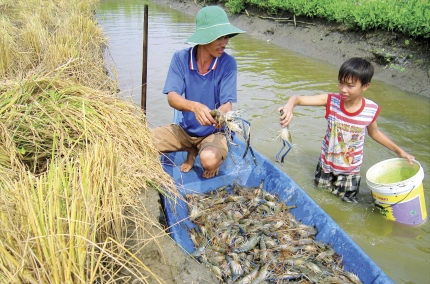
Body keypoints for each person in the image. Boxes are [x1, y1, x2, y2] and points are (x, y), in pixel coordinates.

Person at [278, 57, 414, 203]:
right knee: (319, 199)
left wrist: (400, 151)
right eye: (340, 82)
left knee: (347, 205)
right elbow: (297, 98)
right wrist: (289, 106)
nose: (343, 89)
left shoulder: (370, 110)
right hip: (326, 165)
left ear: (365, 86)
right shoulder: (331, 101)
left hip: (350, 171)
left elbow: (375, 133)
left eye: (350, 85)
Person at [152, 6, 245, 178]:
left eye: (226, 37)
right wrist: (194, 107)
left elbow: (227, 104)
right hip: (185, 130)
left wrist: (220, 115)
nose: (224, 42)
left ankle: (208, 152)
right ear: (204, 38)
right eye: (219, 37)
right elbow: (172, 98)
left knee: (209, 160)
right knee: (142, 141)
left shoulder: (228, 63)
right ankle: (191, 149)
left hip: (213, 132)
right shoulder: (180, 58)